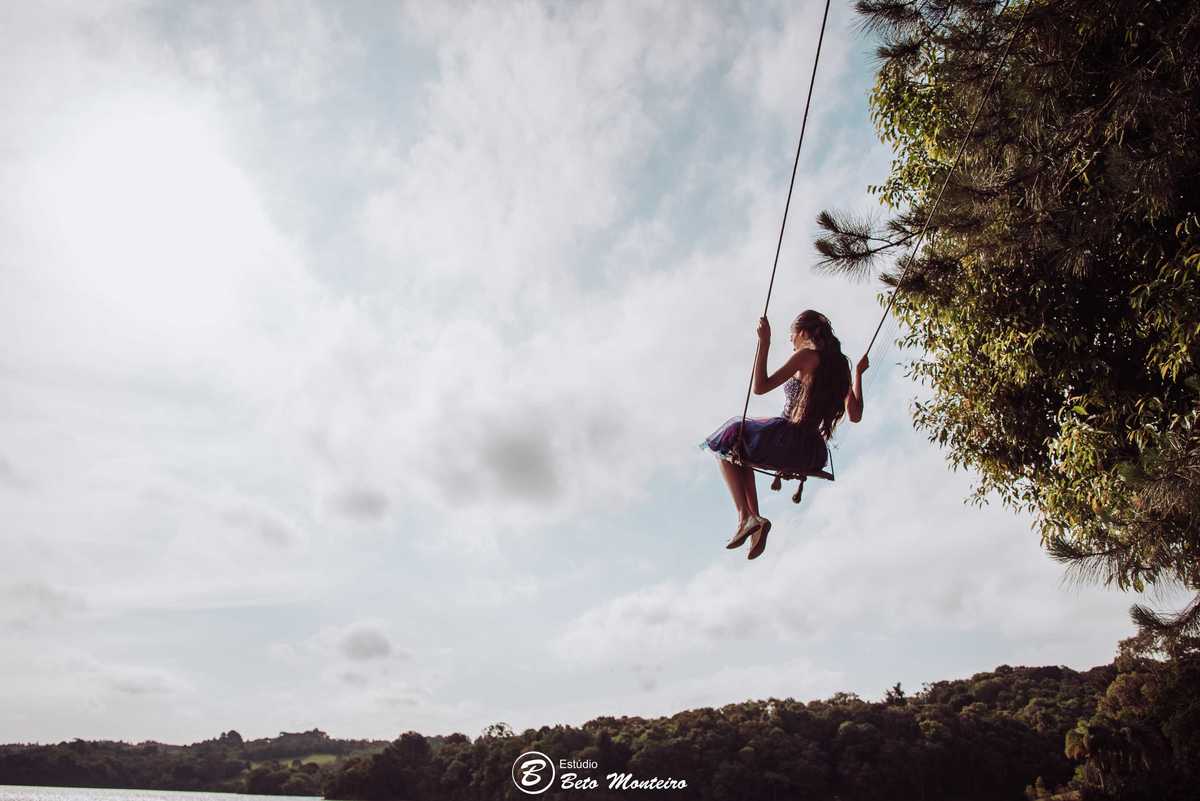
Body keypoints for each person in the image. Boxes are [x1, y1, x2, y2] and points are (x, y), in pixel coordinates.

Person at [699, 310, 868, 560]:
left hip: (787, 439)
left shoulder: (806, 356)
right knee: (740, 450)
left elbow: (760, 387)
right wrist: (858, 375)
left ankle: (745, 516)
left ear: (802, 333)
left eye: (791, 336)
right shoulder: (839, 366)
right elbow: (855, 415)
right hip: (811, 451)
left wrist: (764, 342)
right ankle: (753, 520)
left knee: (727, 442)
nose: (790, 341)